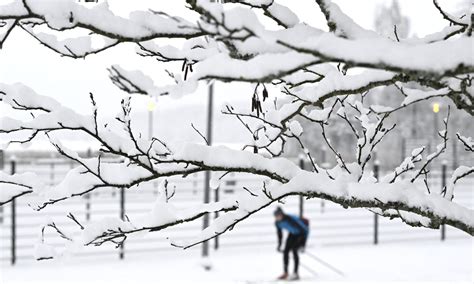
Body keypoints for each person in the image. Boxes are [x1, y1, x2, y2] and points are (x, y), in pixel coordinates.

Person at [274, 206, 309, 281]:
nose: (277, 217)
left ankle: (296, 273)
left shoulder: (289, 218)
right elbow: (280, 234)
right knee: (285, 252)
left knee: (294, 250)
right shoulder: (277, 223)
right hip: (292, 234)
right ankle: (285, 273)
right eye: (276, 216)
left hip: (301, 234)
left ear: (282, 214)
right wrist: (279, 245)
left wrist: (303, 244)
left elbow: (303, 230)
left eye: (278, 215)